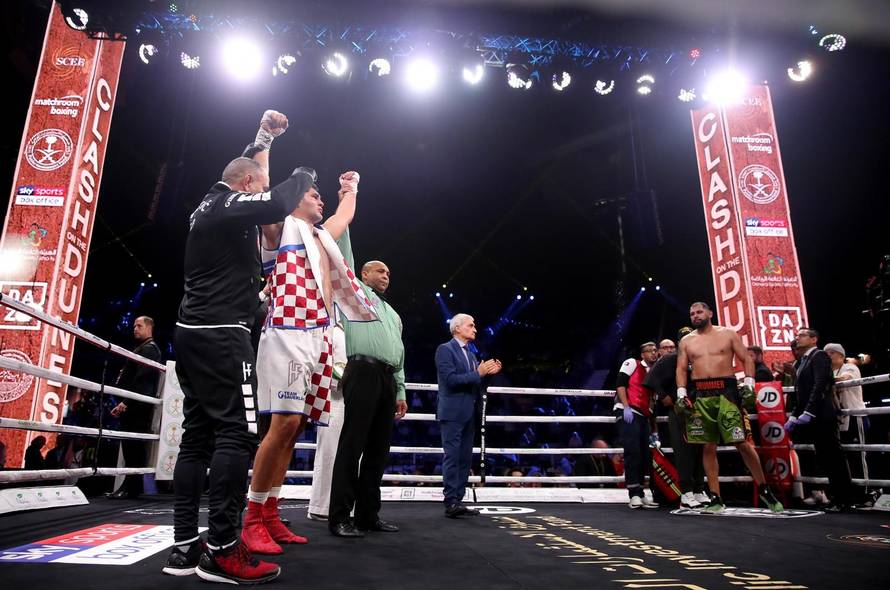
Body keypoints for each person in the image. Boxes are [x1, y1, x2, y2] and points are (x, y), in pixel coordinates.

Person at [164, 110, 316, 584]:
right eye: (258, 183)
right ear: (246, 184)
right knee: (237, 433)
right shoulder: (231, 203)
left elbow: (258, 179)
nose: (261, 188)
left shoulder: (208, 207)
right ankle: (225, 550)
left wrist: (263, 136)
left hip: (192, 331)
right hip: (221, 335)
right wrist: (305, 174)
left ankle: (186, 545)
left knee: (197, 435)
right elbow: (277, 201)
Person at [243, 170, 375, 555]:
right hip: (286, 330)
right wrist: (267, 139)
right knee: (281, 424)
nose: (321, 202)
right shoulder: (278, 229)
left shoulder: (320, 237)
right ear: (296, 198)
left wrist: (350, 188)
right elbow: (264, 190)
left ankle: (270, 513)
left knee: (296, 426)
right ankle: (251, 518)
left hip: (319, 337)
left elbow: (344, 215)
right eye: (314, 195)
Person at [328, 234, 408, 538]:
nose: (386, 276)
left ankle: (367, 515)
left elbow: (399, 355)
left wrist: (400, 390)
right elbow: (342, 256)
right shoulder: (356, 293)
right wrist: (349, 199)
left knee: (378, 450)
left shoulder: (394, 315)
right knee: (353, 444)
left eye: (388, 273)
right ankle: (339, 517)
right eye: (380, 271)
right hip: (361, 371)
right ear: (364, 274)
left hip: (387, 378)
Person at [675, 302, 783, 513]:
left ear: (709, 313)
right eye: (692, 313)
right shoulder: (686, 341)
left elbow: (746, 358)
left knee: (741, 441)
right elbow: (681, 369)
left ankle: (764, 489)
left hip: (727, 392)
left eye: (699, 312)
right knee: (707, 445)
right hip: (701, 394)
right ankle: (716, 497)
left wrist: (750, 384)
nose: (695, 316)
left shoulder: (728, 334)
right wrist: (681, 393)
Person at [435, 313, 502, 517]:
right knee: (452, 457)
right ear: (457, 328)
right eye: (470, 325)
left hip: (469, 413)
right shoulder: (445, 350)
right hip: (452, 412)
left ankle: (459, 500)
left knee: (464, 458)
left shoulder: (471, 355)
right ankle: (450, 501)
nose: (475, 329)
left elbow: (476, 384)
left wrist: (488, 375)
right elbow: (451, 380)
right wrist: (479, 373)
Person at [784, 330, 853, 512]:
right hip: (813, 417)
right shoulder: (802, 361)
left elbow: (820, 384)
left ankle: (844, 499)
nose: (797, 337)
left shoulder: (819, 355)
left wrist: (809, 411)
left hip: (823, 415)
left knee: (834, 457)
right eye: (797, 335)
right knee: (825, 458)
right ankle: (836, 497)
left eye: (802, 335)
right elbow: (801, 392)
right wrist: (794, 414)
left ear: (814, 339)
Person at [644, 326, 707, 508]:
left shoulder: (698, 358)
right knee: (683, 451)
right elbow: (651, 379)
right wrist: (665, 397)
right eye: (685, 338)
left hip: (698, 409)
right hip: (679, 411)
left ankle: (698, 489)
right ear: (680, 342)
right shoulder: (672, 359)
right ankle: (686, 492)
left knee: (699, 450)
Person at [108, 315, 163, 499]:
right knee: (130, 446)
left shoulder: (149, 349)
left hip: (137, 406)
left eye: (139, 326)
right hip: (134, 404)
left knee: (134, 446)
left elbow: (143, 380)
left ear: (149, 327)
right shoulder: (142, 348)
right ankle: (132, 486)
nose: (135, 329)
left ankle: (131, 487)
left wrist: (126, 402)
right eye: (134, 326)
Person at [824, 342, 878, 505]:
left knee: (859, 456)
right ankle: (853, 493)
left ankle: (868, 493)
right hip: (841, 420)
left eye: (831, 353)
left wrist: (823, 380)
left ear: (841, 355)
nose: (828, 356)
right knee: (846, 458)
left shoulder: (850, 367)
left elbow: (843, 379)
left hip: (856, 418)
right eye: (826, 353)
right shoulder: (830, 371)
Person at [307, 322, 348, 521]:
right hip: (332, 395)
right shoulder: (327, 324)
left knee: (351, 454)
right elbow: (319, 355)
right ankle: (320, 506)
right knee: (328, 450)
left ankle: (347, 505)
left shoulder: (355, 326)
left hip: (354, 393)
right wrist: (338, 378)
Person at [614, 342, 659, 509]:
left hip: (643, 416)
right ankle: (633, 494)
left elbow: (653, 401)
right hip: (628, 411)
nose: (654, 353)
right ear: (643, 354)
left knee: (643, 455)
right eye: (650, 351)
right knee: (632, 451)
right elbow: (620, 384)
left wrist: (654, 429)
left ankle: (640, 492)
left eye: (655, 350)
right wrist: (625, 407)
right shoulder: (632, 363)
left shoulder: (654, 372)